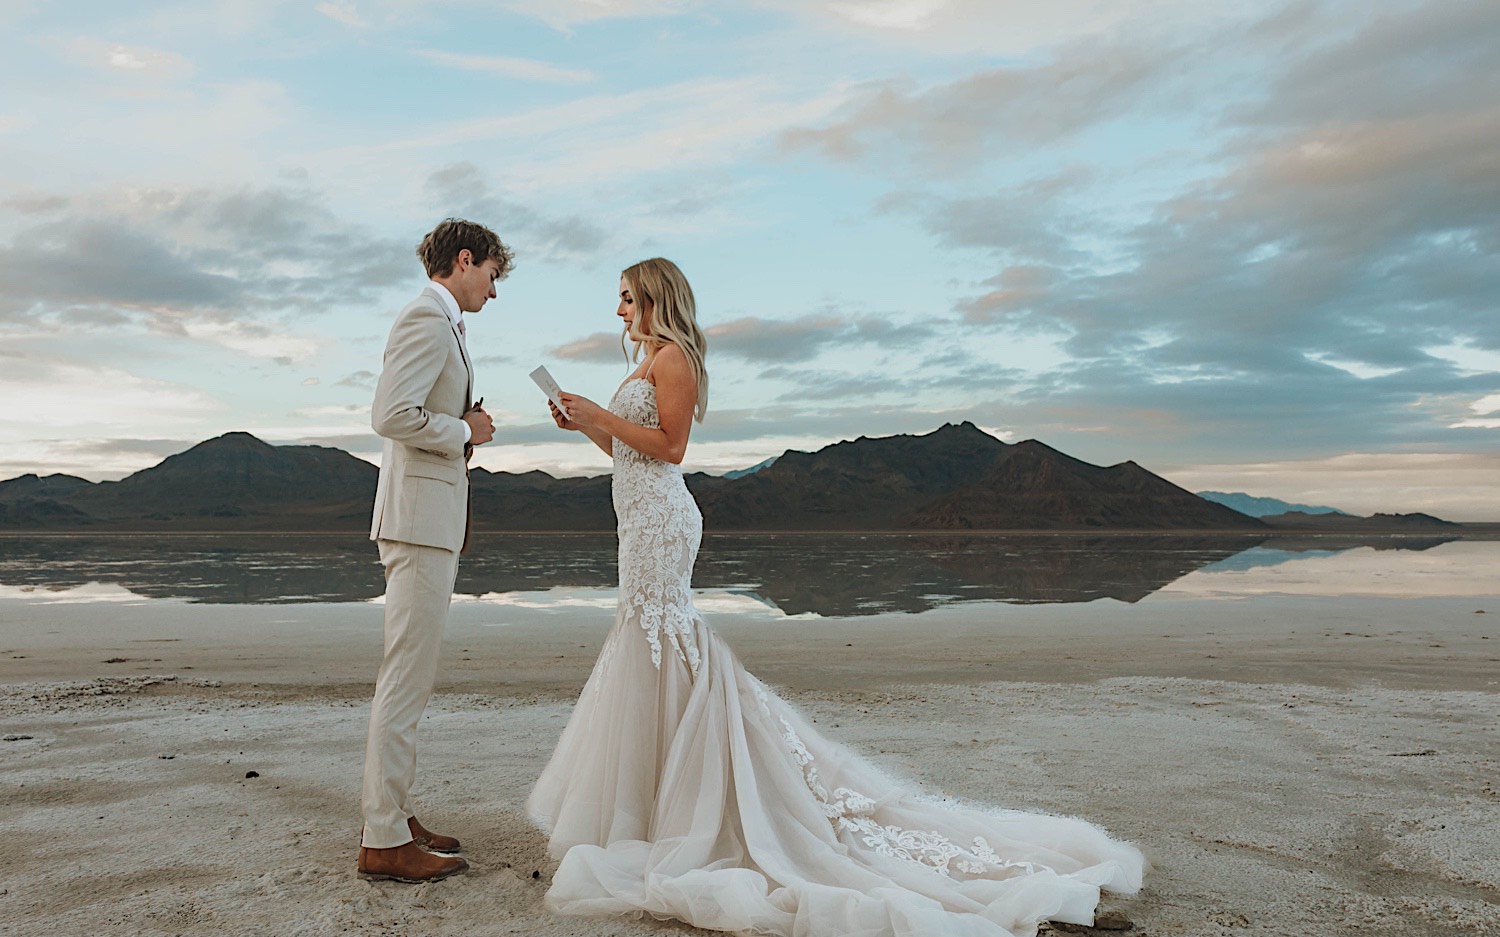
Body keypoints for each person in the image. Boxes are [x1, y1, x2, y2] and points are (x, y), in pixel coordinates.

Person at [526, 258, 1147, 937]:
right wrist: (583, 423)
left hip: (662, 521)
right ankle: (653, 803)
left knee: (661, 632)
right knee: (650, 638)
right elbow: (628, 452)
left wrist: (600, 413)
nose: (617, 311)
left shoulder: (673, 357)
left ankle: (689, 804)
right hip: (637, 516)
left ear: (655, 300)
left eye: (625, 298)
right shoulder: (644, 363)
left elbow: (670, 447)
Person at [358, 218, 512, 883]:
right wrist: (466, 428)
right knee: (405, 678)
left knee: (410, 677)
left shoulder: (443, 323)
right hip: (418, 523)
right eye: (492, 276)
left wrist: (461, 429)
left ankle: (394, 814)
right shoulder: (426, 316)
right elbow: (391, 414)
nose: (494, 291)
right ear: (465, 259)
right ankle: (384, 837)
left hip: (429, 520)